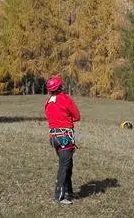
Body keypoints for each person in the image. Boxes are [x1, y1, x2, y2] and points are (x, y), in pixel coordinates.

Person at [44, 75, 81, 204]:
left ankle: (68, 192)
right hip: (65, 137)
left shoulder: (49, 101)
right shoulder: (65, 99)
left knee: (67, 164)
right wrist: (68, 120)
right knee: (65, 166)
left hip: (54, 138)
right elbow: (77, 116)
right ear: (60, 87)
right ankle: (59, 196)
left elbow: (49, 117)